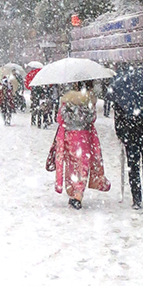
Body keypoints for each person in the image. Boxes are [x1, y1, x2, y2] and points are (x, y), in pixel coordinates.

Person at [50, 81, 110, 209]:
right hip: (85, 137)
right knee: (83, 164)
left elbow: (60, 119)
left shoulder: (67, 102)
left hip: (69, 137)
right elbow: (92, 119)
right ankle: (78, 193)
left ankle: (72, 191)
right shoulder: (89, 101)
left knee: (71, 165)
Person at [113, 103, 143, 209]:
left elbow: (118, 118)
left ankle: (137, 197)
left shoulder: (123, 96)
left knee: (134, 166)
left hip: (131, 134)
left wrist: (121, 134)